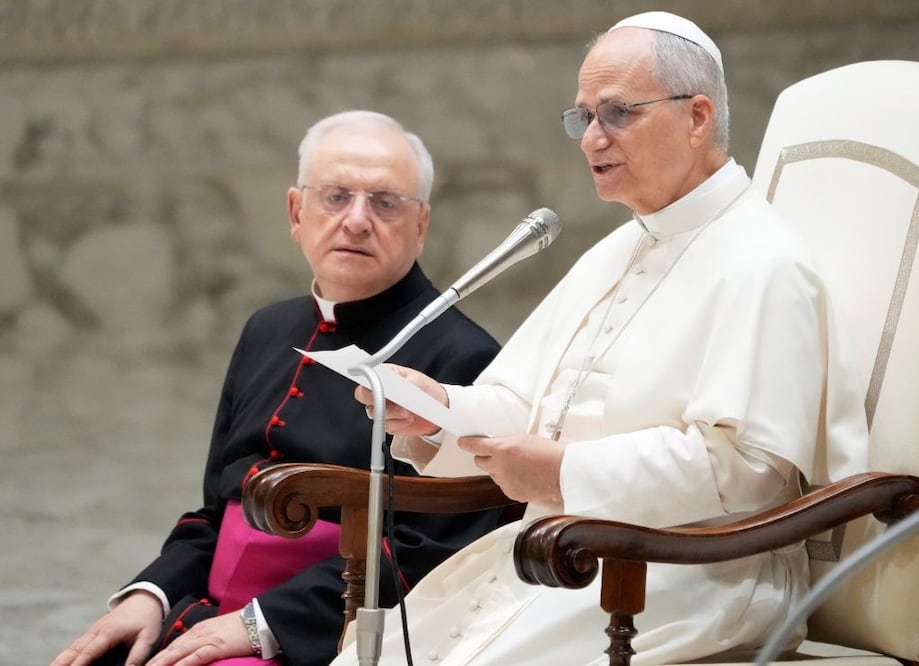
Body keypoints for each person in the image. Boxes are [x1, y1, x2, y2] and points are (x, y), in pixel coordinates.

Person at [338, 11, 869, 666]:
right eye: (583, 116)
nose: (592, 138)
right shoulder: (620, 248)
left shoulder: (764, 265)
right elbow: (527, 406)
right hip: (566, 556)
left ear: (696, 116)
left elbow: (748, 470)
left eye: (617, 113)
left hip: (688, 577)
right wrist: (438, 411)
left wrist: (563, 472)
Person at [51, 111, 504, 666]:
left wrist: (264, 622)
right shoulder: (267, 329)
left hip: (327, 632)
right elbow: (216, 510)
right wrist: (153, 593)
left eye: (385, 203)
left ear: (421, 224)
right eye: (336, 197)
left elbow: (440, 554)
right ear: (296, 213)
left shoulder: (463, 357)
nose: (357, 221)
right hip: (206, 610)